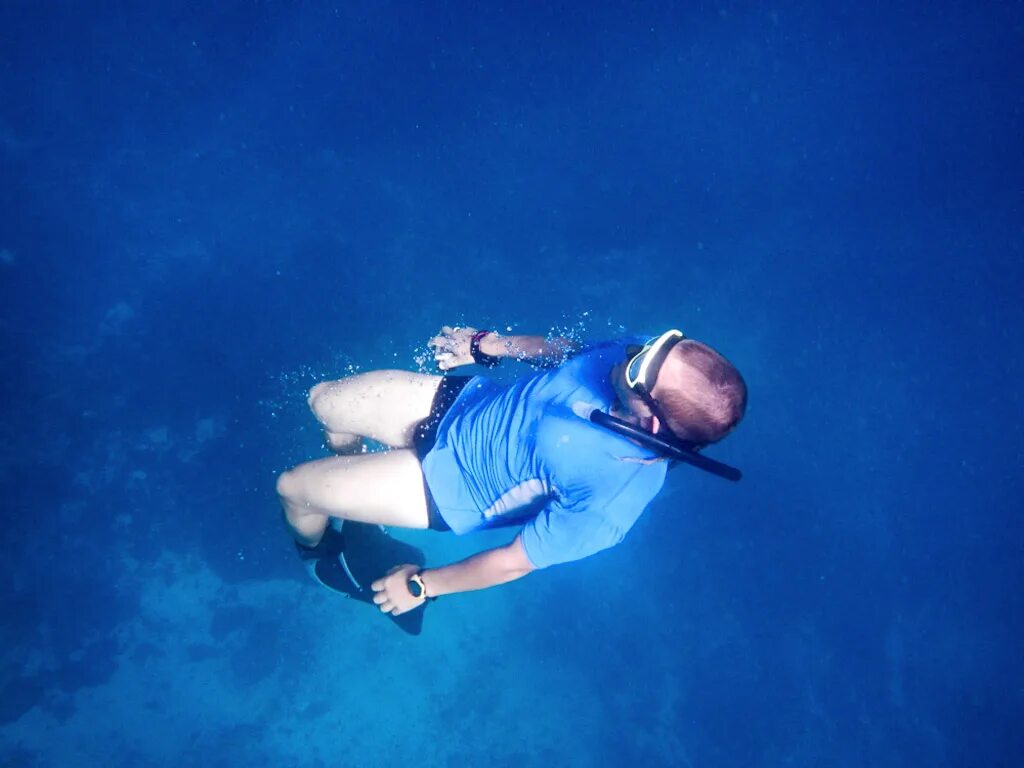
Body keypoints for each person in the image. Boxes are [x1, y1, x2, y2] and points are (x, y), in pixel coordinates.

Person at [276, 326, 746, 621]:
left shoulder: (613, 496)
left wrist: (422, 586)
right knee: (323, 401)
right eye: (654, 345)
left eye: (638, 366)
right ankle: (355, 506)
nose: (633, 351)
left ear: (650, 422)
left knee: (293, 488)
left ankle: (319, 554)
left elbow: (514, 561)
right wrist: (487, 346)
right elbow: (570, 350)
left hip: (451, 487)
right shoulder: (645, 359)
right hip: (464, 405)